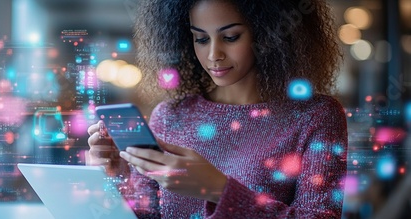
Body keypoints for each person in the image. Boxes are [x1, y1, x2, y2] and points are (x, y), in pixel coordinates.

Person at [87, 0, 347, 218]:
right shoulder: (171, 116)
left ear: (270, 34)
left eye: (231, 37)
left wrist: (218, 190)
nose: (213, 54)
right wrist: (115, 178)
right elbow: (145, 214)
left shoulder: (316, 116)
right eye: (200, 38)